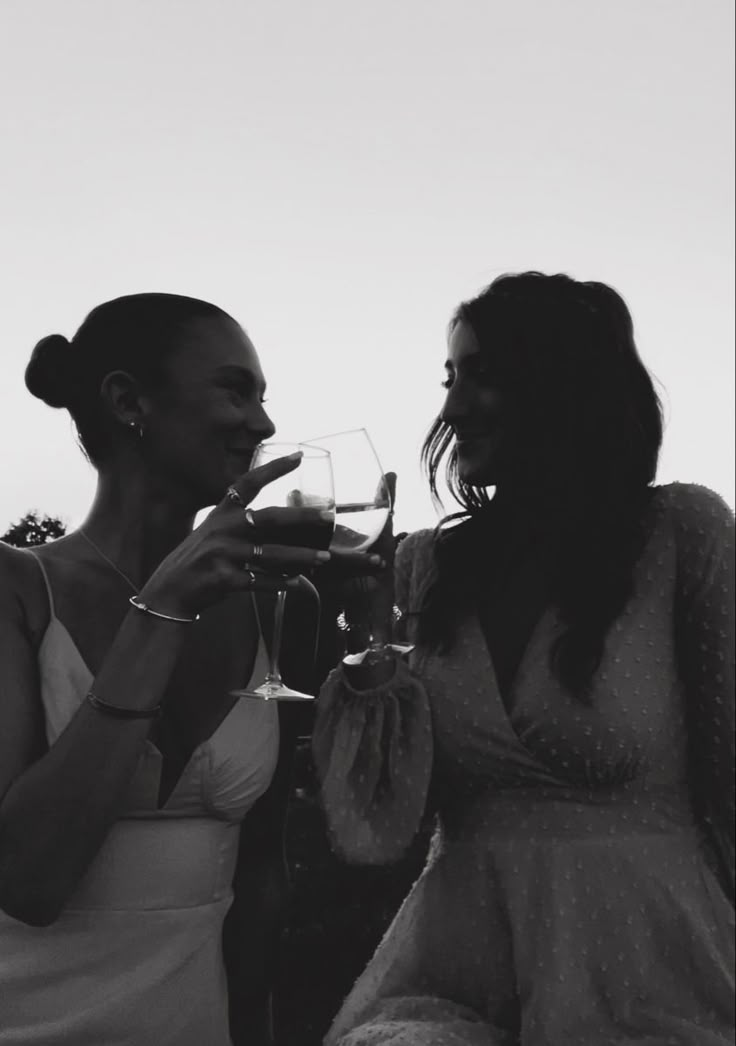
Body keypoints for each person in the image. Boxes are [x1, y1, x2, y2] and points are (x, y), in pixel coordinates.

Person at [314, 272, 735, 1045]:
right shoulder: (422, 566)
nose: (450, 409)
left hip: (653, 975)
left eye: (484, 376)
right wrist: (366, 631)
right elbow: (376, 827)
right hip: (457, 976)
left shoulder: (683, 534)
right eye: (449, 378)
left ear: (565, 387)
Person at [0, 292, 375, 1046]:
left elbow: (261, 872)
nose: (264, 425)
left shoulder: (284, 607)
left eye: (264, 399)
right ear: (128, 400)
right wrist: (164, 605)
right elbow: (29, 878)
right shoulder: (16, 589)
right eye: (236, 391)